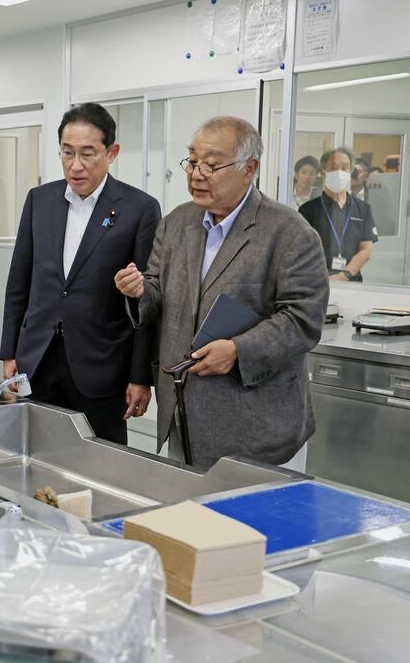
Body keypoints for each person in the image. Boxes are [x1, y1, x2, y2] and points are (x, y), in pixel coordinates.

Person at [114, 116, 329, 471]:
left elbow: (303, 319)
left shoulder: (289, 233)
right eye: (193, 162)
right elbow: (157, 292)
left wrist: (237, 350)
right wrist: (138, 292)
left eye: (211, 165)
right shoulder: (177, 223)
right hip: (184, 415)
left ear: (250, 169)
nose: (197, 174)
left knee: (256, 524)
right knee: (188, 520)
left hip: (256, 425)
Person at [0, 103, 160, 444]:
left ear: (112, 152)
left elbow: (148, 302)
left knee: (100, 463)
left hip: (101, 365)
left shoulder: (139, 209)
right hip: (38, 359)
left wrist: (140, 376)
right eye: (67, 153)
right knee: (35, 452)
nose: (76, 165)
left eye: (88, 154)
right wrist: (9, 351)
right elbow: (19, 283)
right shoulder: (40, 200)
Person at [299, 147, 377, 282]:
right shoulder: (308, 210)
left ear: (350, 171)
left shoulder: (363, 209)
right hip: (317, 281)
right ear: (323, 172)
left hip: (352, 281)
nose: (340, 172)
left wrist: (343, 275)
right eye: (334, 167)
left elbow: (366, 250)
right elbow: (300, 251)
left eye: (345, 167)